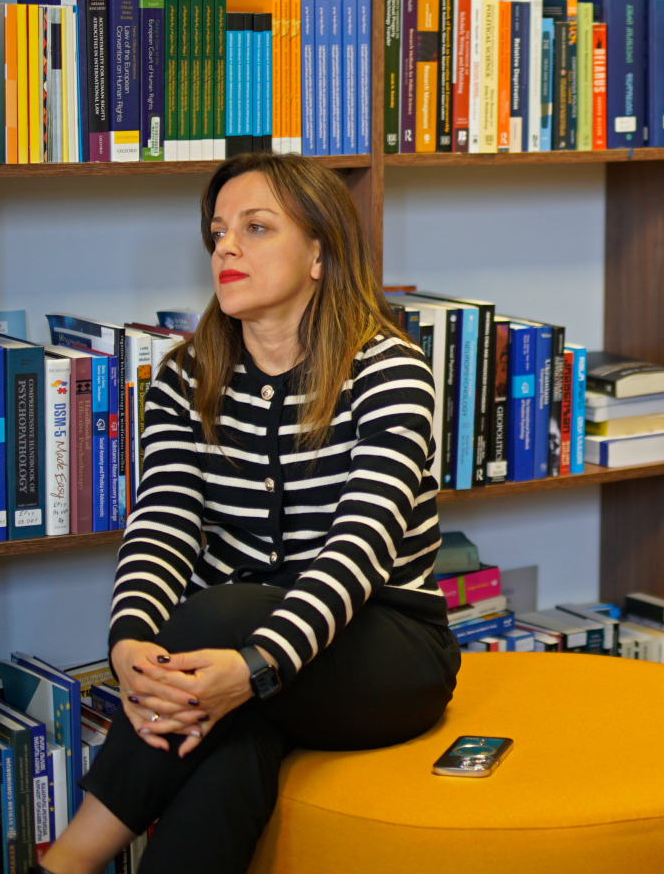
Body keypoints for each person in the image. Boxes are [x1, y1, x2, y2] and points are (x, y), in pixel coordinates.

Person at [41, 154, 460, 874]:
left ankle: (68, 861)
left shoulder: (389, 369)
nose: (226, 247)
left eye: (256, 228)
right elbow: (164, 522)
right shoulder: (183, 378)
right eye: (218, 232)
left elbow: (358, 548)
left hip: (382, 647)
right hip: (241, 656)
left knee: (219, 613)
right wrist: (130, 645)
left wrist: (256, 666)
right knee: (228, 749)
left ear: (320, 253)